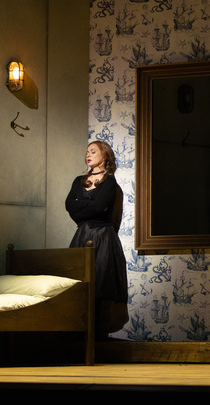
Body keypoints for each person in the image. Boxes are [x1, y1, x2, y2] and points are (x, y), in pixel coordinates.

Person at [66, 140, 129, 336]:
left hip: (103, 236)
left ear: (105, 156)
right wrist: (91, 205)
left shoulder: (109, 182)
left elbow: (100, 207)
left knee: (101, 281)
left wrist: (83, 204)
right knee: (78, 282)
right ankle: (79, 332)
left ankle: (99, 334)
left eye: (93, 151)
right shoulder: (79, 181)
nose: (88, 154)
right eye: (87, 151)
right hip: (82, 234)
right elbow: (70, 207)